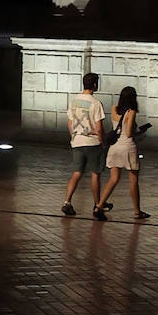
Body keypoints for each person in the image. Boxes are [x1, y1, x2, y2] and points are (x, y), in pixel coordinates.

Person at [95, 87, 149, 221]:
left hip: (114, 147)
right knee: (133, 181)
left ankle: (99, 206)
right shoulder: (132, 111)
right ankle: (137, 211)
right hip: (127, 147)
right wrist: (140, 132)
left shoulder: (114, 108)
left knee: (113, 179)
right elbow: (129, 132)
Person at [62, 72, 110, 217]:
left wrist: (73, 137)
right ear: (95, 85)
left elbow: (70, 122)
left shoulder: (74, 101)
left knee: (77, 172)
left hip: (77, 141)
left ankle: (67, 202)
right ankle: (97, 206)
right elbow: (99, 127)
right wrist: (102, 142)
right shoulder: (96, 103)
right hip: (92, 142)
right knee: (95, 173)